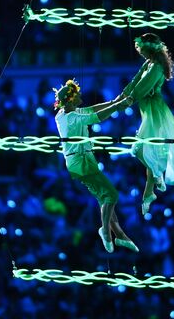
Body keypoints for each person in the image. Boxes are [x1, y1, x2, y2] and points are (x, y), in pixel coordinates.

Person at [54, 79, 138, 253]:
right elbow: (96, 117)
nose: (81, 95)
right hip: (81, 161)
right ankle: (105, 232)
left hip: (78, 162)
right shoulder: (73, 118)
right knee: (111, 196)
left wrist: (115, 102)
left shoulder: (63, 114)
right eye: (77, 94)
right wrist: (118, 105)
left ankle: (120, 235)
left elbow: (92, 110)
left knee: (103, 197)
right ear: (70, 100)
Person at [119, 33, 174, 215]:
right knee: (147, 149)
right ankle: (151, 187)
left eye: (141, 48)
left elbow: (141, 88)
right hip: (148, 110)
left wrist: (127, 101)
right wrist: (123, 96)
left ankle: (155, 177)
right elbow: (135, 81)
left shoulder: (156, 67)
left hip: (155, 111)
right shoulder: (149, 63)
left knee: (142, 148)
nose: (139, 51)